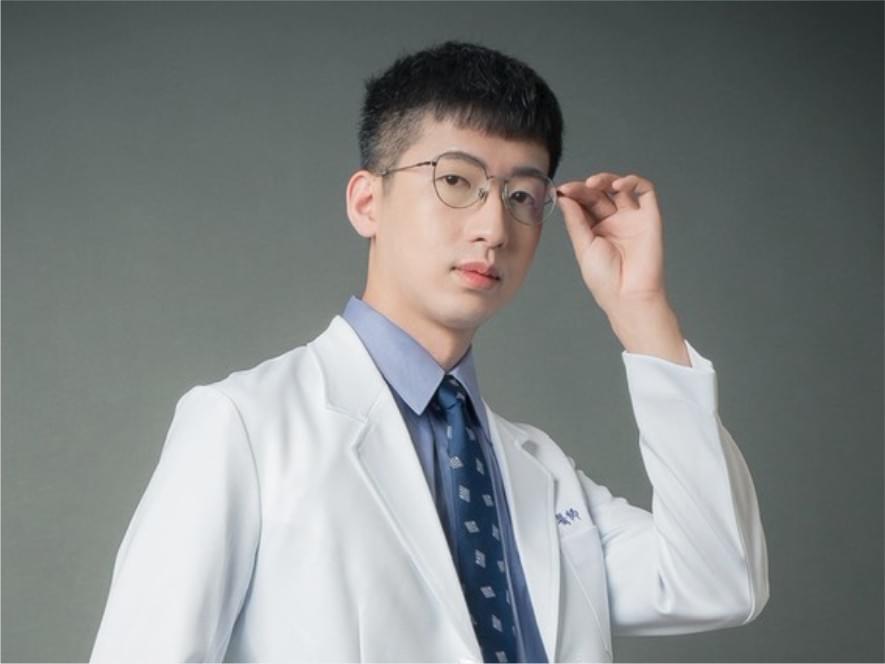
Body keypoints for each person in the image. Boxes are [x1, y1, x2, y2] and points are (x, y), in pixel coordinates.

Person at [89, 40, 769, 663]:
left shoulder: (539, 470)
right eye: (455, 181)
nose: (493, 227)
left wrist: (641, 311)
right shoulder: (244, 426)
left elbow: (719, 582)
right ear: (367, 202)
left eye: (521, 195)